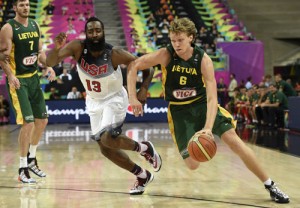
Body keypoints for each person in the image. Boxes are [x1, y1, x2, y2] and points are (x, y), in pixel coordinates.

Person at [127, 17, 289, 203]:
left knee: (234, 141)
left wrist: (208, 129)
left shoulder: (203, 60)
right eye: (173, 40)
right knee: (193, 164)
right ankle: (176, 147)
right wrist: (132, 97)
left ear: (191, 38)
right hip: (179, 112)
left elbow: (213, 98)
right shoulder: (166, 54)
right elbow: (134, 65)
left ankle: (270, 185)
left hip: (203, 105)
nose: (176, 44)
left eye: (180, 40)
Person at [46, 16, 162, 195]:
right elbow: (50, 62)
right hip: (93, 101)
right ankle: (142, 175)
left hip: (114, 99)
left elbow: (149, 68)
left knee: (108, 138)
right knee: (105, 150)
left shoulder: (114, 53)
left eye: (97, 31)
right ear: (86, 33)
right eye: (90, 31)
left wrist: (143, 89)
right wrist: (56, 48)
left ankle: (145, 148)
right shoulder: (77, 47)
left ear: (103, 32)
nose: (94, 34)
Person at [0, 0, 56, 183]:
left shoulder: (34, 24)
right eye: (21, 5)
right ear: (14, 8)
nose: (25, 7)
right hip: (19, 81)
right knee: (28, 123)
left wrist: (47, 67)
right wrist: (10, 76)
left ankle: (32, 159)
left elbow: (40, 51)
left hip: (33, 78)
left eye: (27, 4)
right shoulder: (8, 28)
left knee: (42, 121)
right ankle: (22, 168)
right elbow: (2, 57)